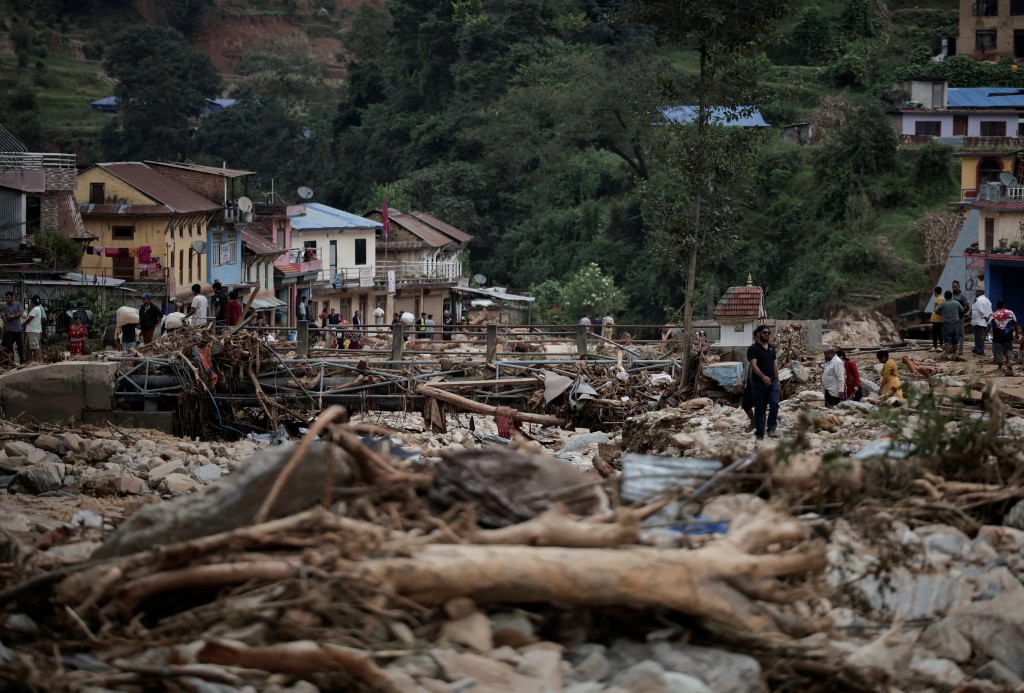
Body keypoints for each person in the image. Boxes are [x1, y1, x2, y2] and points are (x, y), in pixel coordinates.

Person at [747, 324, 779, 440]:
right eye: (764, 332)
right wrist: (763, 377)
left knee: (775, 404)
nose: (767, 335)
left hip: (772, 382)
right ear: (759, 334)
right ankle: (760, 433)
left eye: (768, 333)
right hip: (758, 383)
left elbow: (773, 365)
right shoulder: (753, 349)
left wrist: (777, 379)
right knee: (760, 409)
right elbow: (753, 365)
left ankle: (771, 429)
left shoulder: (772, 348)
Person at [988, 300, 1017, 375]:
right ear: (1004, 305)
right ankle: (1008, 363)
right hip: (1008, 336)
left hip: (998, 337)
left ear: (997, 306)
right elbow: (1015, 323)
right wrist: (1017, 333)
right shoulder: (1010, 313)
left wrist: (984, 335)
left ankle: (1000, 367)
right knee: (1008, 349)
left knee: (998, 352)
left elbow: (989, 326)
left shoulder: (994, 315)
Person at [936, 289, 965, 360]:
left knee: (947, 339)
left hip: (946, 324)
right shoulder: (956, 303)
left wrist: (941, 313)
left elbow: (937, 311)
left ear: (945, 296)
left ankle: (946, 354)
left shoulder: (942, 303)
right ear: (952, 296)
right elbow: (962, 310)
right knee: (955, 340)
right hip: (956, 324)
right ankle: (955, 354)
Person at [1, 292, 25, 363]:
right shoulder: (5, 307)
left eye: (8, 297)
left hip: (18, 329)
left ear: (12, 297)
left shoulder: (18, 304)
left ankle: (22, 361)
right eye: (6, 297)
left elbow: (21, 313)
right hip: (9, 330)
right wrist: (15, 315)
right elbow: (8, 317)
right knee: (9, 346)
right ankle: (11, 361)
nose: (7, 299)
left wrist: (13, 316)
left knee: (20, 345)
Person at [971, 287, 993, 356]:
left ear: (981, 292)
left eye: (977, 291)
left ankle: (980, 350)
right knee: (979, 336)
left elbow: (980, 310)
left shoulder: (979, 300)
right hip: (982, 321)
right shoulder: (988, 300)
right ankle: (977, 348)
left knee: (979, 336)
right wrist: (988, 317)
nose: (976, 293)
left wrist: (985, 316)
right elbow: (990, 311)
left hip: (979, 321)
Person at [22, 295, 43, 363]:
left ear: (33, 303)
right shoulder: (36, 309)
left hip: (33, 331)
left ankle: (36, 361)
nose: (30, 304)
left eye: (31, 302)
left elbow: (29, 320)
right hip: (31, 331)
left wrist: (23, 323)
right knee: (28, 347)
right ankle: (29, 361)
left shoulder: (35, 309)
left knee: (34, 347)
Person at [951, 281, 970, 357]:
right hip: (952, 319)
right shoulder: (951, 296)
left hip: (959, 318)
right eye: (953, 287)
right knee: (953, 334)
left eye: (955, 287)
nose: (954, 288)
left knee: (961, 334)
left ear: (959, 286)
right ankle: (953, 349)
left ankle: (961, 350)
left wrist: (963, 313)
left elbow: (968, 306)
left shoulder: (962, 296)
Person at [929, 286, 944, 352]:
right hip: (938, 319)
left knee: (936, 333)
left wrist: (937, 311)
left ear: (935, 292)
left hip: (937, 319)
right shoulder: (941, 298)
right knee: (939, 333)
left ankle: (936, 346)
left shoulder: (939, 299)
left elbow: (940, 308)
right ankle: (939, 345)